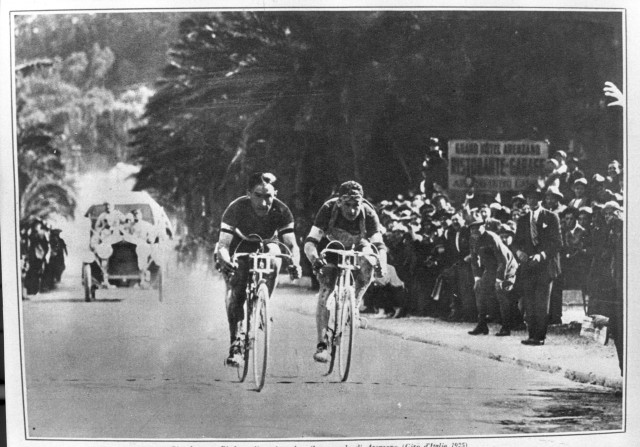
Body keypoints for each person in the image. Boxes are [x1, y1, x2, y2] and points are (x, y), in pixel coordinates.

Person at [216, 172, 302, 367]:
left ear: (275, 193)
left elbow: (291, 244)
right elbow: (222, 245)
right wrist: (226, 260)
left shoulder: (282, 210)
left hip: (266, 243)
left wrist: (294, 263)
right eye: (258, 196)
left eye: (269, 196)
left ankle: (264, 302)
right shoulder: (236, 208)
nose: (264, 203)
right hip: (239, 245)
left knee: (276, 256)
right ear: (248, 194)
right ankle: (236, 345)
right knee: (236, 293)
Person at [304, 180, 388, 363]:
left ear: (362, 202)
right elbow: (310, 242)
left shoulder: (368, 212)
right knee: (326, 291)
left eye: (355, 205)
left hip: (358, 246)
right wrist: (315, 258)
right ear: (339, 202)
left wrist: (382, 263)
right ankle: (321, 344)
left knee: (369, 261)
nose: (351, 211)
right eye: (347, 205)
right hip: (332, 246)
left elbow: (379, 246)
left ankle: (355, 305)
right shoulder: (327, 209)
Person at [512, 184, 562, 346]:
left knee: (541, 302)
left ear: (540, 199)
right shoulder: (523, 219)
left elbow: (557, 243)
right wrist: (519, 253)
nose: (532, 200)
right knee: (529, 301)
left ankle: (539, 336)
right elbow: (515, 243)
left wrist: (541, 255)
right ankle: (531, 334)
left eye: (535, 198)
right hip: (528, 266)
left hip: (545, 266)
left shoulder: (551, 217)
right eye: (529, 198)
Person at [467, 217, 518, 336]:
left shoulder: (491, 237)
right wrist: (477, 278)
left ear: (483, 227)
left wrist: (499, 280)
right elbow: (474, 260)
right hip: (491, 268)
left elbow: (503, 260)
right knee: (479, 289)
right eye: (472, 228)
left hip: (507, 266)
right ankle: (482, 325)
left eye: (478, 227)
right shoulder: (472, 239)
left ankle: (506, 327)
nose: (475, 231)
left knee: (501, 292)